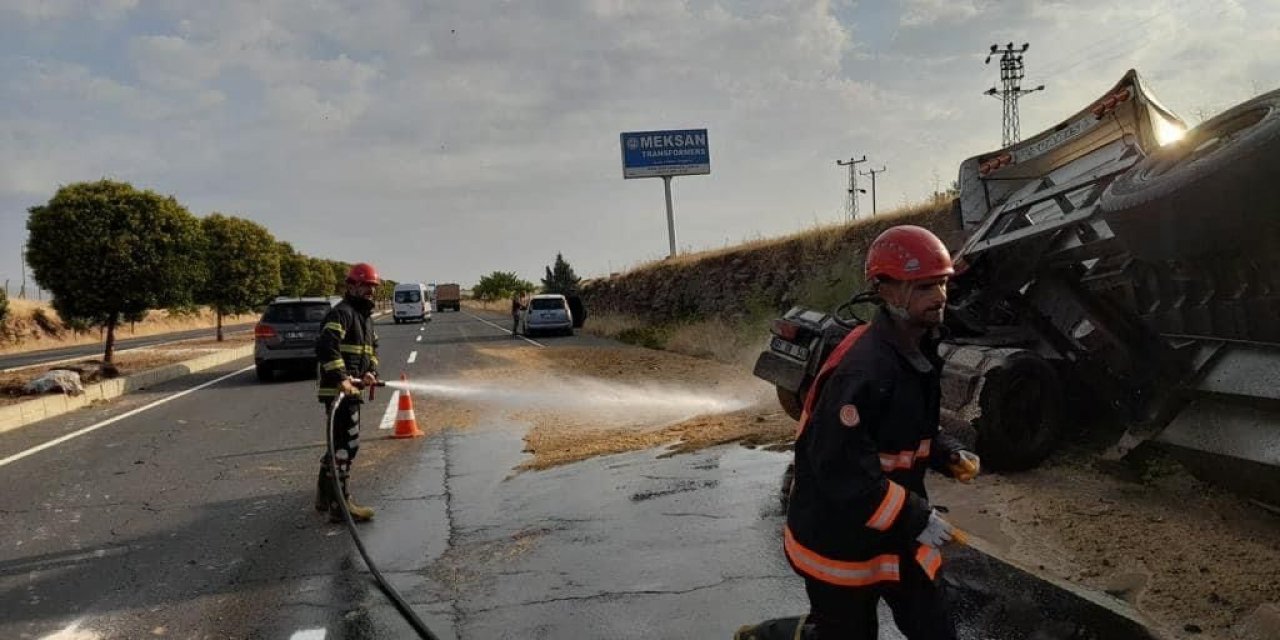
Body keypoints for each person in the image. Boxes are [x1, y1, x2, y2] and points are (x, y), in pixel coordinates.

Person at [782, 225, 982, 639]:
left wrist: (946, 452)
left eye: (943, 284)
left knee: (936, 628)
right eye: (925, 286)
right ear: (886, 290)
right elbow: (840, 467)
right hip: (840, 534)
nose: (940, 297)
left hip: (893, 527)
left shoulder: (918, 342)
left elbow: (907, 425)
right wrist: (916, 515)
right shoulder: (864, 369)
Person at [314, 262, 382, 523]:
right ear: (351, 286)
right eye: (366, 286)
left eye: (373, 287)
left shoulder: (364, 319)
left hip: (353, 389)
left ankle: (325, 497)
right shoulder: (341, 313)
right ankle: (340, 505)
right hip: (338, 391)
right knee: (346, 447)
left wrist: (370, 373)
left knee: (338, 445)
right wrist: (342, 378)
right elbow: (326, 347)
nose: (370, 291)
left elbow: (372, 351)